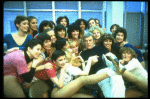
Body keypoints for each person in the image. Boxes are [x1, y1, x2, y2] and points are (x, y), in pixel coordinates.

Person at [49, 50, 123, 98]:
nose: (63, 61)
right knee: (82, 80)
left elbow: (82, 72)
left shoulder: (67, 66)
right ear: (54, 62)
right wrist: (63, 69)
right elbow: (60, 85)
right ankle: (113, 71)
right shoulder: (54, 68)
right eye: (60, 60)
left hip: (68, 91)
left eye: (64, 59)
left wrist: (83, 63)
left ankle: (113, 69)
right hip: (57, 93)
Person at [80, 32, 126, 98]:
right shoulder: (83, 54)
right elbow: (85, 70)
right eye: (86, 41)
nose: (88, 42)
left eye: (90, 40)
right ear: (84, 42)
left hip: (109, 69)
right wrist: (90, 63)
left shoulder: (100, 48)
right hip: (98, 74)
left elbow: (109, 56)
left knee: (117, 79)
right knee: (106, 85)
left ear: (94, 41)